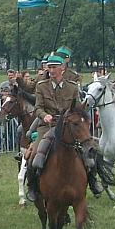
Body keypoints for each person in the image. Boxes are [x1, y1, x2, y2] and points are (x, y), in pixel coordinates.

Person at [26, 53, 81, 201]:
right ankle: (32, 186)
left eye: (54, 67)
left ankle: (93, 181)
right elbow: (38, 108)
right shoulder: (41, 86)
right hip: (47, 127)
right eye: (49, 67)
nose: (51, 70)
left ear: (62, 68)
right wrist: (44, 116)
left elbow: (78, 108)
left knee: (89, 151)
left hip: (67, 127)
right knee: (34, 155)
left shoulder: (72, 87)